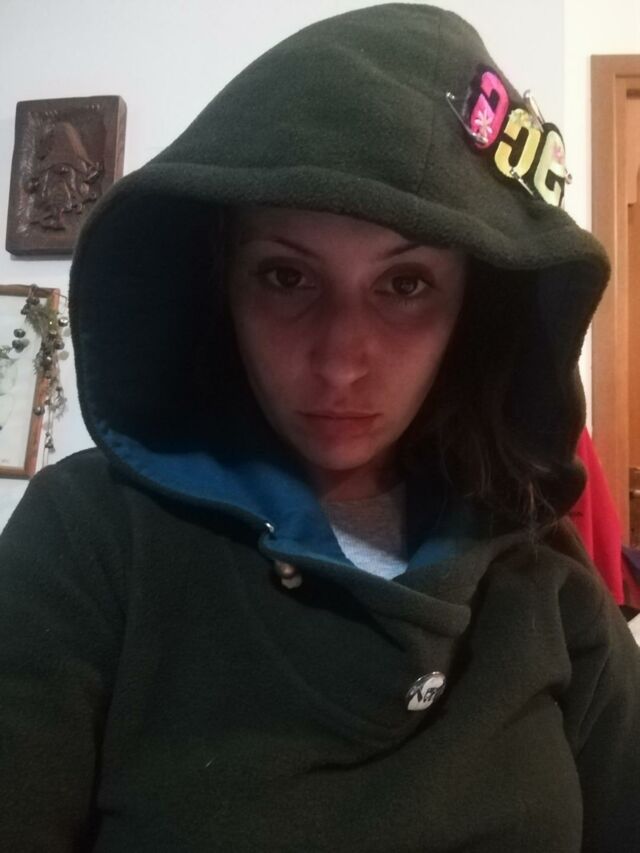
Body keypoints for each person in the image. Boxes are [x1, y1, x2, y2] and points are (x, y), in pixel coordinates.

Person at [0, 4, 638, 851]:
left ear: (471, 311)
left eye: (405, 285)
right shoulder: (90, 541)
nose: (340, 361)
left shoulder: (547, 581)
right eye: (286, 276)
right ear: (221, 283)